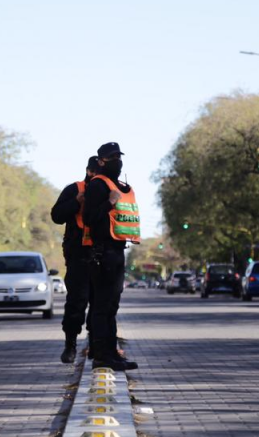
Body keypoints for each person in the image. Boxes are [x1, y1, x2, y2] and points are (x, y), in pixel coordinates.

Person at [84, 142, 140, 371]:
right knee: (101, 305)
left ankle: (111, 353)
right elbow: (89, 217)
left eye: (118, 156)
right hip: (102, 252)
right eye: (112, 157)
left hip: (117, 251)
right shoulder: (98, 185)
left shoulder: (121, 186)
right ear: (101, 161)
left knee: (112, 306)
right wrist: (110, 202)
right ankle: (101, 355)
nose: (117, 161)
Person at [50, 156, 100, 363]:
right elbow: (56, 215)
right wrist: (75, 202)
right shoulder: (74, 189)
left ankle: (97, 347)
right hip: (79, 256)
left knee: (100, 306)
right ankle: (70, 345)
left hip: (104, 257)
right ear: (89, 172)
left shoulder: (115, 190)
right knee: (76, 304)